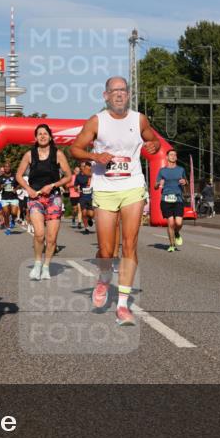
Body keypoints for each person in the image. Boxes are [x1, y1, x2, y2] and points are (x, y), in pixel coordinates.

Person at [69, 76, 161, 326]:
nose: (119, 94)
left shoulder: (139, 119)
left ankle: (122, 305)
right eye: (114, 90)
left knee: (129, 244)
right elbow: (75, 149)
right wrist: (94, 156)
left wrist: (152, 145)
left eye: (123, 90)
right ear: (105, 95)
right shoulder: (97, 121)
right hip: (105, 189)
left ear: (128, 95)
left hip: (132, 187)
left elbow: (152, 138)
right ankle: (103, 279)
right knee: (107, 250)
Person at [18, 123, 72, 280]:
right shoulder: (29, 154)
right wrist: (28, 189)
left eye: (45, 133)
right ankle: (37, 264)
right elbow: (19, 176)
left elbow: (68, 176)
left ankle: (46, 266)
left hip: (53, 198)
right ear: (35, 137)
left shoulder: (58, 154)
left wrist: (53, 185)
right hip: (35, 198)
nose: (42, 136)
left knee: (52, 238)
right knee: (40, 234)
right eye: (39, 133)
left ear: (50, 136)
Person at [156, 149, 188, 251]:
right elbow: (155, 186)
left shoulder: (181, 169)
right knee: (170, 223)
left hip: (178, 198)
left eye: (175, 155)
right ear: (167, 157)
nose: (173, 156)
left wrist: (185, 181)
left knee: (178, 223)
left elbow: (186, 181)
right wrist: (158, 183)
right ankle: (172, 245)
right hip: (166, 199)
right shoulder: (162, 171)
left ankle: (177, 232)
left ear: (176, 157)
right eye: (171, 155)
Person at [0, 163, 20, 234]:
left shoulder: (15, 176)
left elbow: (19, 184)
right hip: (4, 198)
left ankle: (13, 220)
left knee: (14, 213)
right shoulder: (0, 177)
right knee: (6, 214)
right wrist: (1, 186)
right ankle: (8, 228)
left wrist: (15, 189)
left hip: (14, 197)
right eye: (5, 167)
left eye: (8, 166)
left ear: (10, 167)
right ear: (4, 168)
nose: (7, 168)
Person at [73, 161, 95, 233]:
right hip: (82, 196)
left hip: (91, 196)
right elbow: (75, 186)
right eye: (83, 166)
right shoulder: (78, 176)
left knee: (91, 214)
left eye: (85, 166)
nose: (85, 167)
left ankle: (90, 219)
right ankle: (86, 228)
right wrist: (77, 189)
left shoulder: (91, 174)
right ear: (81, 168)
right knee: (84, 213)